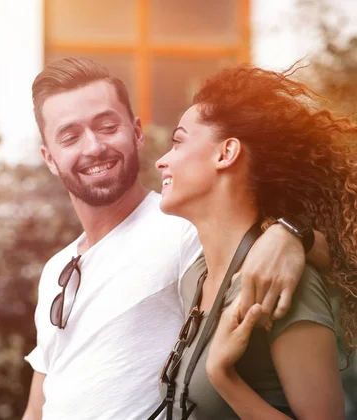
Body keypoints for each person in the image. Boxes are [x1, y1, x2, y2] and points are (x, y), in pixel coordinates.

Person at [22, 57, 330, 420]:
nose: (93, 147)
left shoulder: (184, 228)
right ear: (50, 158)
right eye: (70, 137)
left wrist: (291, 235)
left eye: (107, 127)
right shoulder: (55, 269)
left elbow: (311, 250)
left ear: (137, 133)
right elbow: (39, 405)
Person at [153, 64, 355, 419]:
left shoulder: (286, 284)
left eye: (178, 142)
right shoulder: (195, 278)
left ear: (225, 153)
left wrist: (224, 378)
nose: (161, 161)